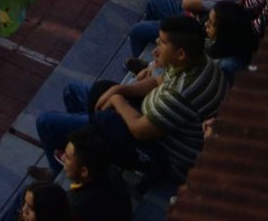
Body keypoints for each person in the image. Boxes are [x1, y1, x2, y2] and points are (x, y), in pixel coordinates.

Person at [34, 15, 225, 183]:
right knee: (96, 90)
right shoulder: (201, 62)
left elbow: (140, 130)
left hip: (166, 156)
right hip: (157, 121)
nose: (155, 50)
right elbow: (159, 80)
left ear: (181, 54)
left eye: (162, 43)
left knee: (46, 122)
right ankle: (88, 136)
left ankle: (66, 168)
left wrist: (118, 100)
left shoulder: (180, 92)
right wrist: (120, 88)